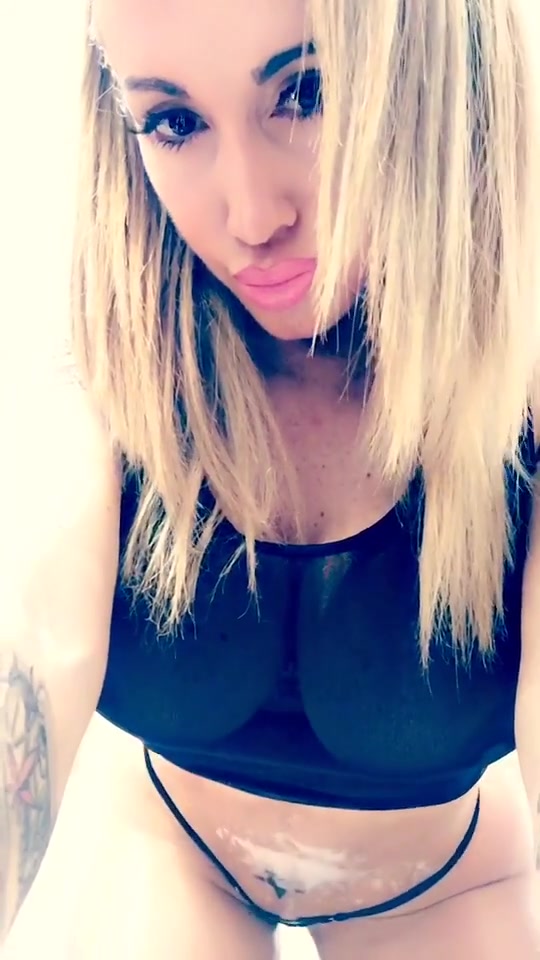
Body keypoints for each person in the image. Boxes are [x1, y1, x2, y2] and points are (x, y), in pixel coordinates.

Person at [2, 0, 540, 956]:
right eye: (174, 121)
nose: (252, 217)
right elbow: (32, 642)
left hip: (444, 888)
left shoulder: (519, 403)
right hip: (175, 846)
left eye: (309, 91)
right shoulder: (111, 371)